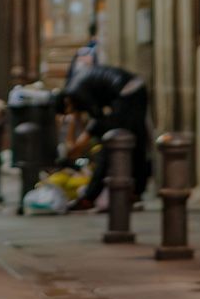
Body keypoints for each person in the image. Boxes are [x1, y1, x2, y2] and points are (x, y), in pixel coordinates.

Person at [65, 64, 151, 211]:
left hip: (126, 94)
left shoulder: (76, 92)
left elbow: (98, 119)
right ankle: (136, 191)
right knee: (135, 140)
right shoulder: (77, 84)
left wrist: (81, 141)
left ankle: (89, 197)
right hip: (136, 88)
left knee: (111, 143)